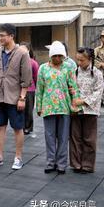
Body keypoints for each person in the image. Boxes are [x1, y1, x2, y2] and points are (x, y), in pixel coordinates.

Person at [0, 23, 32, 170]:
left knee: (18, 128)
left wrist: (22, 97)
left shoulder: (22, 53)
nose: (0, 38)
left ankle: (18, 158)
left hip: (15, 96)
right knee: (0, 127)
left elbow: (26, 77)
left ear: (11, 36)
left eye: (2, 35)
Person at [35, 41, 80, 175]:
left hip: (64, 107)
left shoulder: (68, 68)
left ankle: (61, 164)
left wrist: (75, 104)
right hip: (48, 107)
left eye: (60, 56)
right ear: (50, 55)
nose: (58, 59)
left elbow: (74, 88)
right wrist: (39, 106)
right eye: (55, 56)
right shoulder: (43, 68)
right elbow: (40, 89)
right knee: (49, 136)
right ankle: (50, 162)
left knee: (63, 136)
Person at [70, 47, 103, 173]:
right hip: (76, 110)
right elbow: (71, 87)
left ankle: (88, 165)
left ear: (90, 59)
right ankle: (76, 164)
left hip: (90, 110)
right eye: (77, 60)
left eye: (82, 60)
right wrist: (72, 93)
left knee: (89, 139)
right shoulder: (75, 72)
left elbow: (98, 92)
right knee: (75, 138)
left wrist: (83, 101)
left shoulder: (97, 73)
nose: (79, 63)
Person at [19, 42, 39, 135]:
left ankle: (28, 127)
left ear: (28, 50)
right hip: (19, 89)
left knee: (28, 110)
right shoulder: (17, 61)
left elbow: (36, 77)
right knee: (20, 109)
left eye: (24, 49)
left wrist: (33, 86)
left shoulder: (33, 63)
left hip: (30, 90)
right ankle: (21, 126)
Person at [94, 30, 104, 106]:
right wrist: (100, 64)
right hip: (100, 72)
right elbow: (92, 60)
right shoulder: (97, 50)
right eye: (102, 37)